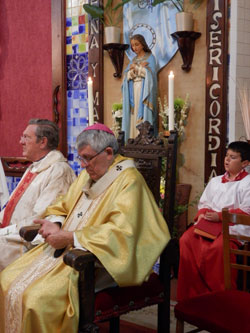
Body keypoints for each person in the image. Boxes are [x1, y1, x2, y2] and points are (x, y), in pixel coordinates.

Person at [0, 123, 170, 333]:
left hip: (97, 262)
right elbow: (62, 204)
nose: (83, 165)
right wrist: (56, 223)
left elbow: (123, 233)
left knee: (37, 298)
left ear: (108, 153)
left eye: (87, 158)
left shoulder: (129, 181)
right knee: (7, 280)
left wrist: (71, 238)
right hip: (63, 252)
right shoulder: (88, 174)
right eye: (81, 158)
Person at [177, 141, 250, 301]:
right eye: (226, 156)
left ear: (245, 163)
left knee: (218, 248)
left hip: (232, 227)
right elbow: (204, 203)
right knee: (186, 240)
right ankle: (191, 295)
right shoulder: (215, 181)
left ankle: (219, 296)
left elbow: (246, 210)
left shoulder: (247, 183)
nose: (227, 160)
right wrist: (202, 214)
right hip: (209, 225)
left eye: (233, 157)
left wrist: (220, 217)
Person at [0, 118, 76, 271]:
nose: (21, 141)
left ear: (43, 142)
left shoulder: (58, 170)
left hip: (29, 241)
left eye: (26, 137)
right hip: (11, 234)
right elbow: (11, 206)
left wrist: (4, 231)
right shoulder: (35, 167)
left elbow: (41, 217)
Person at [122, 34, 158, 142]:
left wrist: (136, 68)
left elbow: (150, 76)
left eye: (137, 44)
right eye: (132, 45)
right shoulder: (133, 60)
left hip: (144, 91)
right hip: (133, 90)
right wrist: (135, 70)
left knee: (143, 113)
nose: (134, 48)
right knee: (133, 115)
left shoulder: (150, 58)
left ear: (142, 44)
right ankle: (133, 138)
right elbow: (126, 76)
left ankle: (144, 140)